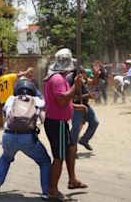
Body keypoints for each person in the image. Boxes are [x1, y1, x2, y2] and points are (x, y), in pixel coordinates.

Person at [0, 79, 51, 200]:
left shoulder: (11, 99)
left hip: (8, 136)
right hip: (27, 137)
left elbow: (5, 113)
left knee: (6, 158)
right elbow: (44, 109)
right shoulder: (37, 100)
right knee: (44, 161)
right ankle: (45, 192)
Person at [43, 48, 87, 201]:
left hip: (58, 122)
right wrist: (76, 86)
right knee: (59, 157)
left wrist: (74, 107)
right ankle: (53, 191)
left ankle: (72, 180)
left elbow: (60, 101)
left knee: (70, 150)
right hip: (57, 123)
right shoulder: (57, 79)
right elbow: (61, 99)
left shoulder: (56, 78)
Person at [66, 66, 100, 152]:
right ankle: (72, 148)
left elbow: (94, 83)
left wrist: (96, 75)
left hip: (85, 104)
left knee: (94, 122)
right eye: (83, 73)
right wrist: (87, 96)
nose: (85, 76)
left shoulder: (82, 79)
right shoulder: (70, 81)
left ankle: (84, 140)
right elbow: (72, 98)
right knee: (76, 128)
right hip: (76, 107)